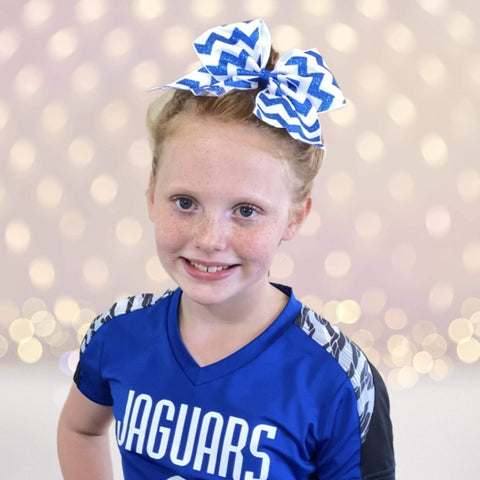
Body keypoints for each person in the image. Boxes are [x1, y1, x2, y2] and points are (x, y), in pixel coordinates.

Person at [57, 18, 395, 480]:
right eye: (185, 202)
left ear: (295, 217)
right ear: (152, 193)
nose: (210, 238)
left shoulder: (337, 380)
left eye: (246, 210)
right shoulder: (118, 334)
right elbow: (80, 430)